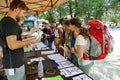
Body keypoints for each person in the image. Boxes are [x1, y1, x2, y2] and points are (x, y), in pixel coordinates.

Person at [0, 0, 38, 80]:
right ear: (17, 9)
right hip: (14, 64)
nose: (23, 15)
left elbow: (10, 39)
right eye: (23, 13)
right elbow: (12, 45)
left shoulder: (6, 21)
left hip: (13, 62)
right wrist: (30, 41)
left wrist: (23, 37)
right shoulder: (10, 22)